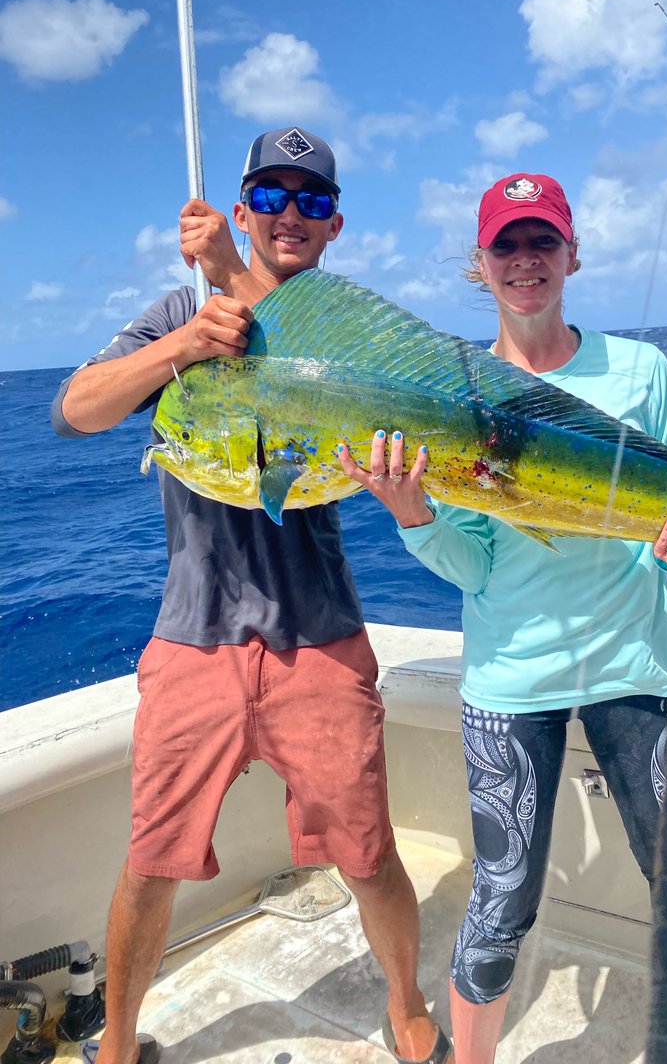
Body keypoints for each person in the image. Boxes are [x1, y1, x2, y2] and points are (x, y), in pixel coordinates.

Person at [51, 126, 451, 1064]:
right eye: (270, 195)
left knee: (368, 854)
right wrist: (186, 342)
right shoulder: (180, 313)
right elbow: (76, 409)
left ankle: (404, 1005)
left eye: (312, 201)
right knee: (151, 863)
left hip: (321, 636)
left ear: (335, 226)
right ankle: (116, 1043)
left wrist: (235, 275)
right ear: (240, 208)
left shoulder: (347, 333)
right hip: (195, 638)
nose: (290, 214)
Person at [337, 172, 667, 1064]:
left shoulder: (642, 372)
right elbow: (476, 568)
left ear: (572, 255)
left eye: (543, 242)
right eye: (508, 245)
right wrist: (413, 516)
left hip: (638, 666)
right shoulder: (450, 390)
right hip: (512, 679)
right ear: (482, 265)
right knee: (500, 906)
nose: (526, 261)